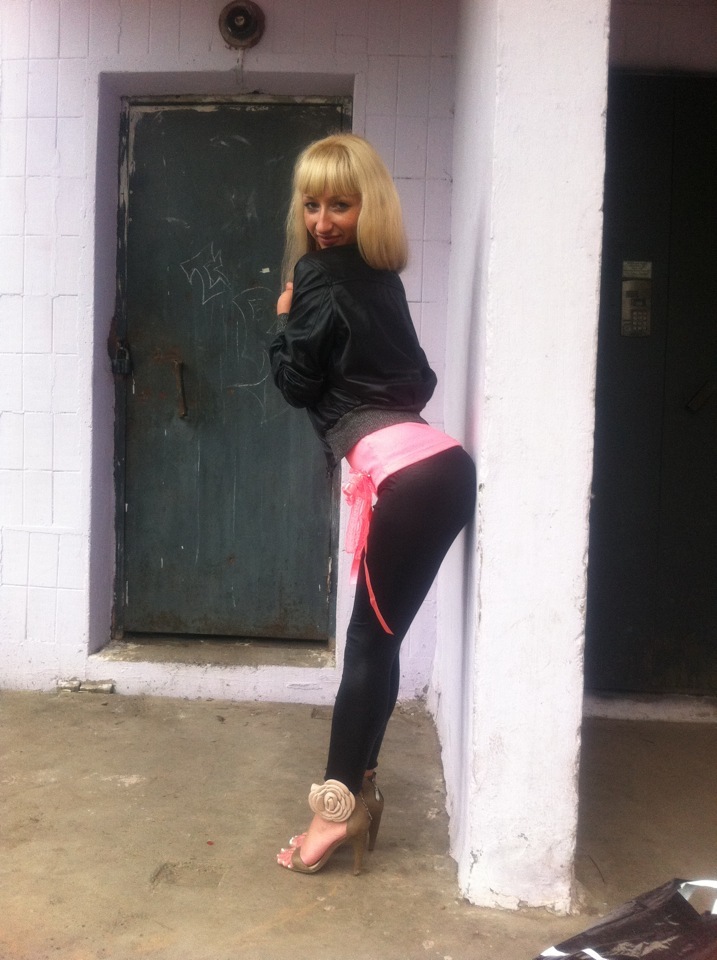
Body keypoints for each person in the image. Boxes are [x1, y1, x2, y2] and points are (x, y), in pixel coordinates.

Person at [269, 133, 476, 875]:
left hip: (407, 482)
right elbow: (418, 381)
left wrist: (285, 317)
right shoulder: (382, 280)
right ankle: (358, 792)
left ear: (370, 206)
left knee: (366, 647)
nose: (323, 222)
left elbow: (294, 383)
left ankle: (332, 815)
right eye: (312, 205)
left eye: (341, 205)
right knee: (378, 646)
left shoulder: (315, 275)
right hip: (438, 469)